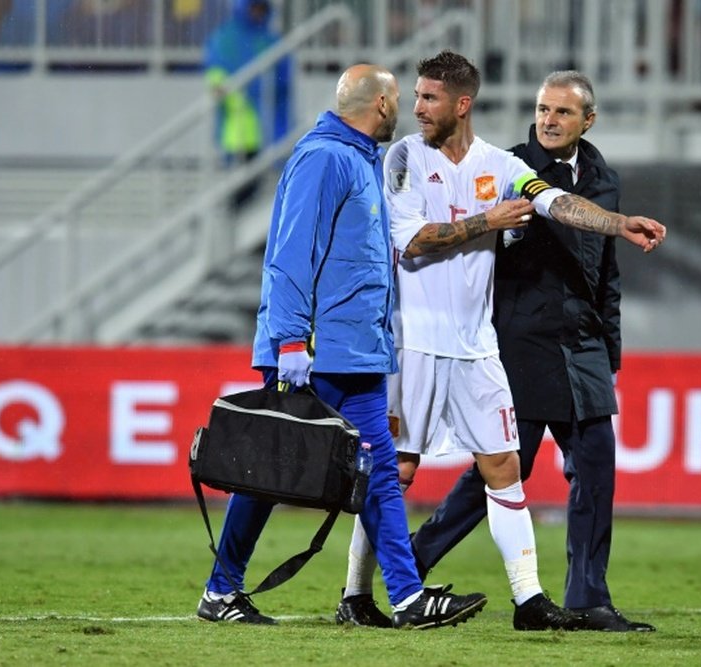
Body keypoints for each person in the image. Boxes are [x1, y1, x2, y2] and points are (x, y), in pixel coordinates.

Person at [335, 51, 665, 631]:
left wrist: (620, 223)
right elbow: (414, 243)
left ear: (462, 104)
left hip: (477, 348)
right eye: (415, 96)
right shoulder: (403, 158)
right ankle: (356, 593)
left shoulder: (499, 163)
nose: (417, 108)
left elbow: (553, 202)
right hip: (417, 345)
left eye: (429, 98)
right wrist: (489, 221)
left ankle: (529, 600)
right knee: (399, 470)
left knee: (504, 467)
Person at [196, 63, 488, 630]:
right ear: (380, 104)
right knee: (272, 468)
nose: (401, 108)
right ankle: (222, 588)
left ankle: (406, 597)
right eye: (398, 99)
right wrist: (288, 341)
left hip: (357, 351)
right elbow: (289, 254)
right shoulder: (325, 158)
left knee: (375, 473)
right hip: (318, 350)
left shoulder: (357, 159)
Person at [203, 0, 293, 208]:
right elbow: (216, 74)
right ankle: (233, 212)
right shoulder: (225, 39)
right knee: (242, 179)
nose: (257, 14)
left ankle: (237, 211)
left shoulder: (270, 41)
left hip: (264, 125)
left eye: (262, 9)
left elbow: (283, 82)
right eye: (253, 8)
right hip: (237, 125)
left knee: (254, 178)